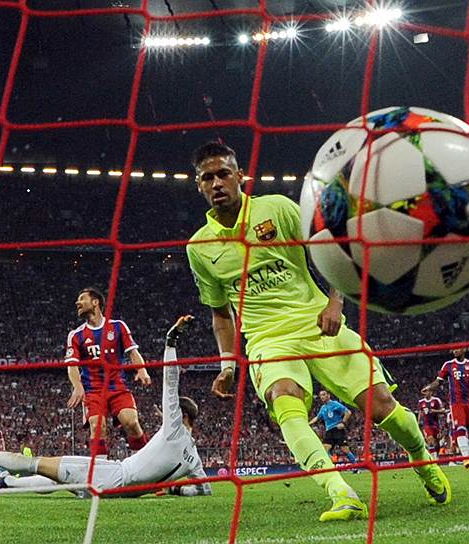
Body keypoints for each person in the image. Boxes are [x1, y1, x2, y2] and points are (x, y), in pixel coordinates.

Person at [186, 141, 451, 522]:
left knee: (382, 407)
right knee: (284, 401)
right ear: (198, 184)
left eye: (223, 174)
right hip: (267, 339)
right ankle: (341, 493)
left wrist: (335, 301)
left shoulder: (277, 208)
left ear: (240, 176)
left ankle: (421, 458)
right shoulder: (199, 247)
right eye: (207, 178)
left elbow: (331, 249)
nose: (216, 183)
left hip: (317, 323)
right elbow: (221, 313)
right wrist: (228, 364)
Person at [0, 315, 210, 499]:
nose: (165, 414)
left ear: (182, 415)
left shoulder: (173, 429)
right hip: (118, 491)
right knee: (59, 478)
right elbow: (204, 490)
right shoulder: (194, 459)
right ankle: (9, 481)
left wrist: (171, 340)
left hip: (111, 476)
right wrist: (176, 489)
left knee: (37, 464)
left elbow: (171, 382)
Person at [65, 287, 151, 457]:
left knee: (131, 422)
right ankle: (101, 469)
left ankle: (143, 463)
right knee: (97, 427)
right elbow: (72, 366)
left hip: (117, 386)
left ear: (95, 302)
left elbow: (133, 352)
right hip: (93, 390)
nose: (77, 303)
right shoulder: (76, 335)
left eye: (82, 299)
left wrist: (142, 370)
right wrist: (78, 386)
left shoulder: (117, 326)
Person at [429, 348, 469, 469]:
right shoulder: (448, 365)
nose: (454, 351)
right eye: (453, 349)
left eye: (457, 349)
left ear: (464, 349)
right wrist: (429, 387)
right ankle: (466, 459)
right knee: (460, 428)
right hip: (456, 403)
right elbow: (438, 381)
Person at [308, 390, 358, 467]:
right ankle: (331, 467)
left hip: (337, 429)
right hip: (329, 431)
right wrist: (308, 424)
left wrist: (343, 423)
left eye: (323, 394)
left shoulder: (335, 404)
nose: (322, 397)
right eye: (321, 395)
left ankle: (356, 467)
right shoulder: (323, 407)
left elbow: (348, 412)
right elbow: (317, 417)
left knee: (345, 449)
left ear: (328, 395)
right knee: (325, 449)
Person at [417, 385, 448, 458]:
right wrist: (418, 423)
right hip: (426, 425)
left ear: (431, 392)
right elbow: (420, 413)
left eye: (428, 391)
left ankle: (437, 456)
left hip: (436, 424)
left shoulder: (436, 400)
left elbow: (443, 410)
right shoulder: (421, 402)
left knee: (436, 443)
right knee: (430, 440)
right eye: (425, 391)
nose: (426, 393)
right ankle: (433, 459)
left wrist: (435, 411)